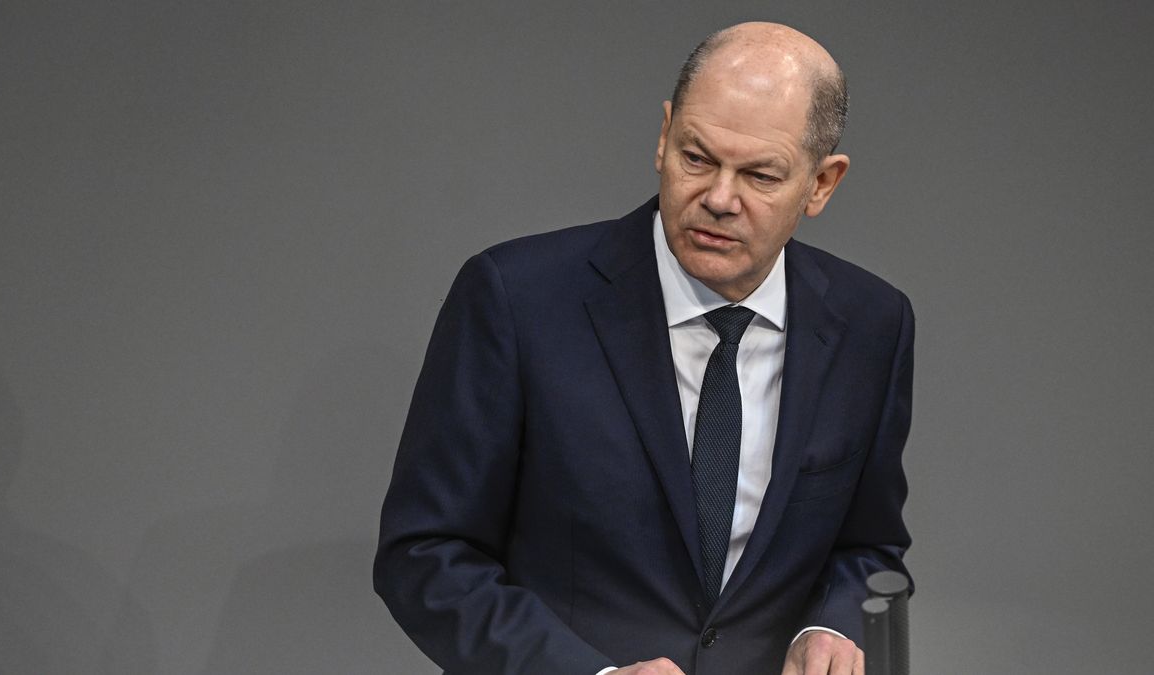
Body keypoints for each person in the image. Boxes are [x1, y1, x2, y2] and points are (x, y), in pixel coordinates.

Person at [374, 21, 913, 675]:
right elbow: (423, 553)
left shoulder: (872, 325)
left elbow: (868, 546)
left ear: (822, 183)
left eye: (760, 175)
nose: (718, 197)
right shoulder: (517, 300)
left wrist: (831, 624)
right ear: (663, 137)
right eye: (697, 157)